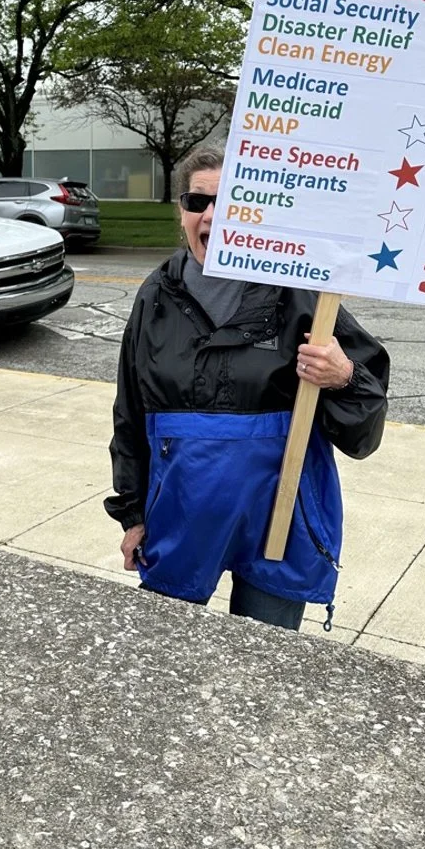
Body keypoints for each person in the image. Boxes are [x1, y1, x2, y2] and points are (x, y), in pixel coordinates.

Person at [106, 143, 389, 631]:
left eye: (231, 203)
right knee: (167, 665)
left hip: (279, 521)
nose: (212, 215)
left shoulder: (300, 293)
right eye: (198, 202)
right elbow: (131, 413)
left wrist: (343, 377)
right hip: (181, 517)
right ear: (182, 212)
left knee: (263, 673)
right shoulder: (156, 296)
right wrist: (132, 513)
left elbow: (363, 434)